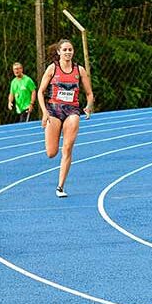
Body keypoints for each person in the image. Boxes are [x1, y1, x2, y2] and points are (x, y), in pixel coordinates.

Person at [38, 39, 94, 198]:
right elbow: (41, 92)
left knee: (68, 148)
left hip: (72, 111)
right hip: (54, 110)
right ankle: (52, 133)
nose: (68, 52)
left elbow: (89, 94)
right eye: (65, 50)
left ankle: (60, 186)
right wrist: (44, 112)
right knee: (51, 152)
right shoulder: (52, 68)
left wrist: (88, 107)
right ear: (59, 52)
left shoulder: (79, 70)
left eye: (70, 49)